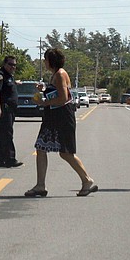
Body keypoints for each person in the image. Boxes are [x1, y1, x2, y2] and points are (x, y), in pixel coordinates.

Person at [25, 48, 97, 197]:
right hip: (52, 118)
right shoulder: (55, 75)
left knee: (66, 153)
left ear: (51, 61)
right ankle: (40, 185)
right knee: (41, 147)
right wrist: (44, 89)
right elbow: (56, 92)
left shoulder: (60, 74)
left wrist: (45, 102)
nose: (44, 62)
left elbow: (63, 98)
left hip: (62, 118)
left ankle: (87, 180)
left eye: (45, 59)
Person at [0, 55, 23, 168]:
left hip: (9, 109)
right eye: (10, 64)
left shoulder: (9, 76)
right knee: (6, 134)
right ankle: (10, 159)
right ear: (5, 64)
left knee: (1, 134)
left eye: (14, 65)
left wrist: (15, 83)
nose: (13, 67)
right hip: (3, 109)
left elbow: (8, 88)